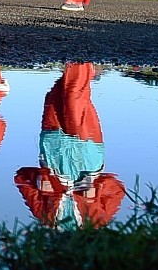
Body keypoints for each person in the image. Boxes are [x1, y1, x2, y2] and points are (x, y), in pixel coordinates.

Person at [13, 64, 125, 228]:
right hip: (86, 153)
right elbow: (117, 190)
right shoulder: (95, 221)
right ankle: (80, 52)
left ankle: (85, 68)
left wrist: (40, 180)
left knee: (54, 96)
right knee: (73, 97)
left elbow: (21, 178)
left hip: (52, 148)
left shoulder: (46, 218)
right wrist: (95, 188)